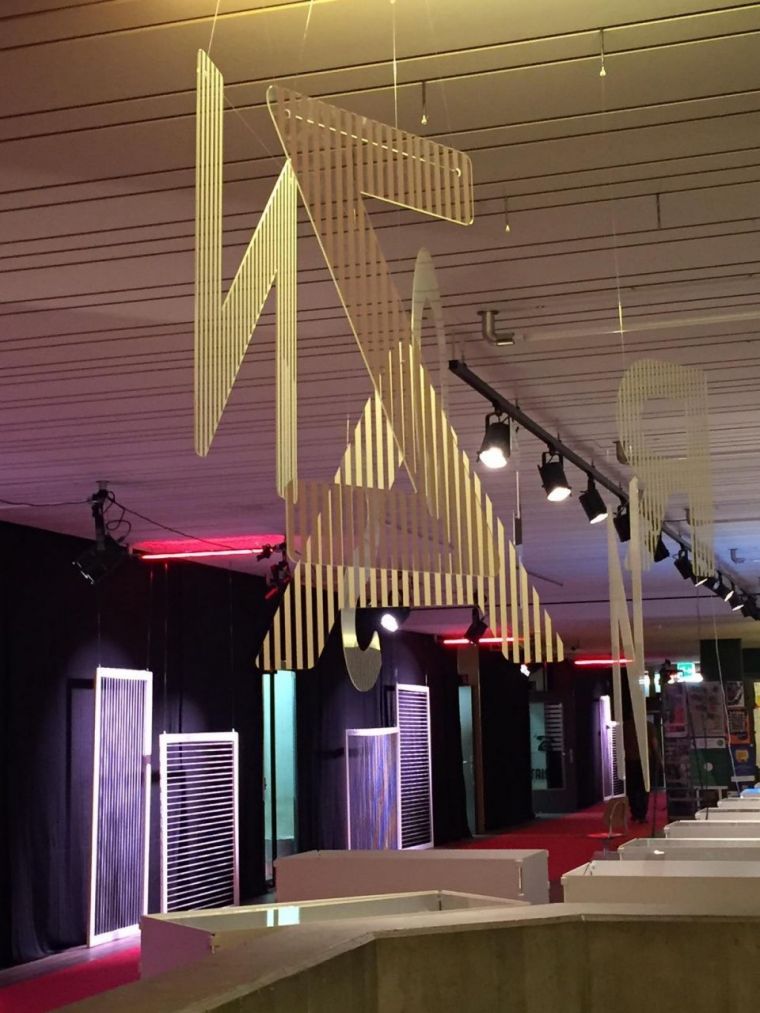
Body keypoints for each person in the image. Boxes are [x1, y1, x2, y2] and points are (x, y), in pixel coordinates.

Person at [623, 717, 662, 823]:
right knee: (644, 787)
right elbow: (654, 743)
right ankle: (642, 814)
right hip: (645, 760)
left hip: (630, 760)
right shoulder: (648, 725)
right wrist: (659, 759)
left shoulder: (625, 726)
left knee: (632, 788)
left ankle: (635, 812)